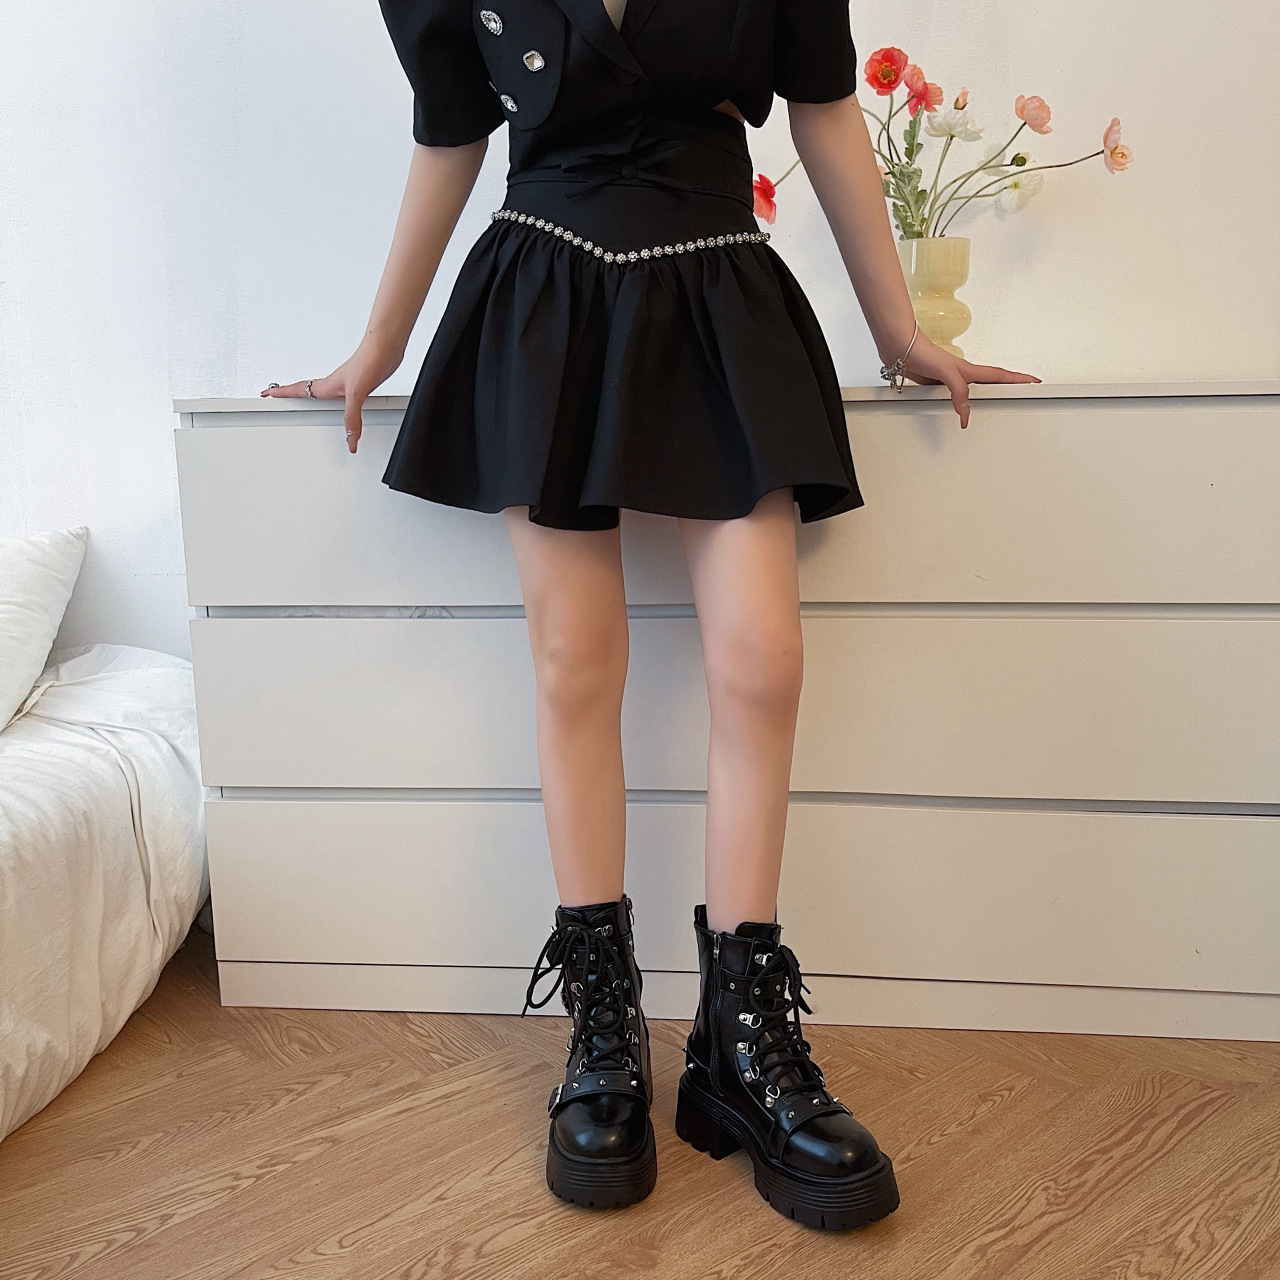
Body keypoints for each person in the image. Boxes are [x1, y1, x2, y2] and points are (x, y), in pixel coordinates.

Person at [262, 0, 1038, 1230]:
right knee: (576, 663)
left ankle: (739, 1039)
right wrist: (379, 344)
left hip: (717, 288)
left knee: (761, 659)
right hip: (541, 298)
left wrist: (896, 328)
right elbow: (449, 133)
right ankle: (603, 1029)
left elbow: (825, 108)